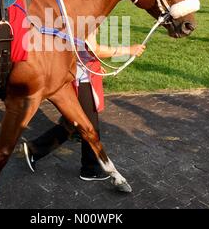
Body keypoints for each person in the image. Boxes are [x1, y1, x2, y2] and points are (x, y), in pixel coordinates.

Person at [21, 31, 146, 181]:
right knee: (89, 124)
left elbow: (80, 48)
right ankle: (91, 169)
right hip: (80, 78)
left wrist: (94, 63)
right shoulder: (87, 16)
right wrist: (128, 50)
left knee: (75, 122)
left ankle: (35, 149)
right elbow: (94, 49)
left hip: (78, 73)